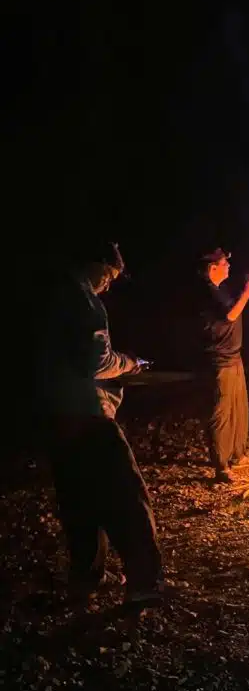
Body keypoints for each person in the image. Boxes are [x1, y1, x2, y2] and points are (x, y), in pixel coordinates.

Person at [41, 242, 164, 610]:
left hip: (57, 416)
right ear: (95, 264)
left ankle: (85, 578)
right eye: (109, 275)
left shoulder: (49, 295)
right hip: (90, 415)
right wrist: (130, 364)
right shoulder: (84, 302)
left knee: (78, 500)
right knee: (127, 497)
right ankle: (145, 582)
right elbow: (98, 361)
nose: (108, 285)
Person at [197, 247, 249, 483]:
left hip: (233, 357)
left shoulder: (219, 290)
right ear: (212, 268)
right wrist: (246, 294)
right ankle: (221, 465)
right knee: (221, 414)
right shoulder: (207, 292)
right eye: (224, 264)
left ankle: (238, 454)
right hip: (219, 361)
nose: (228, 267)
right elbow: (230, 316)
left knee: (238, 408)